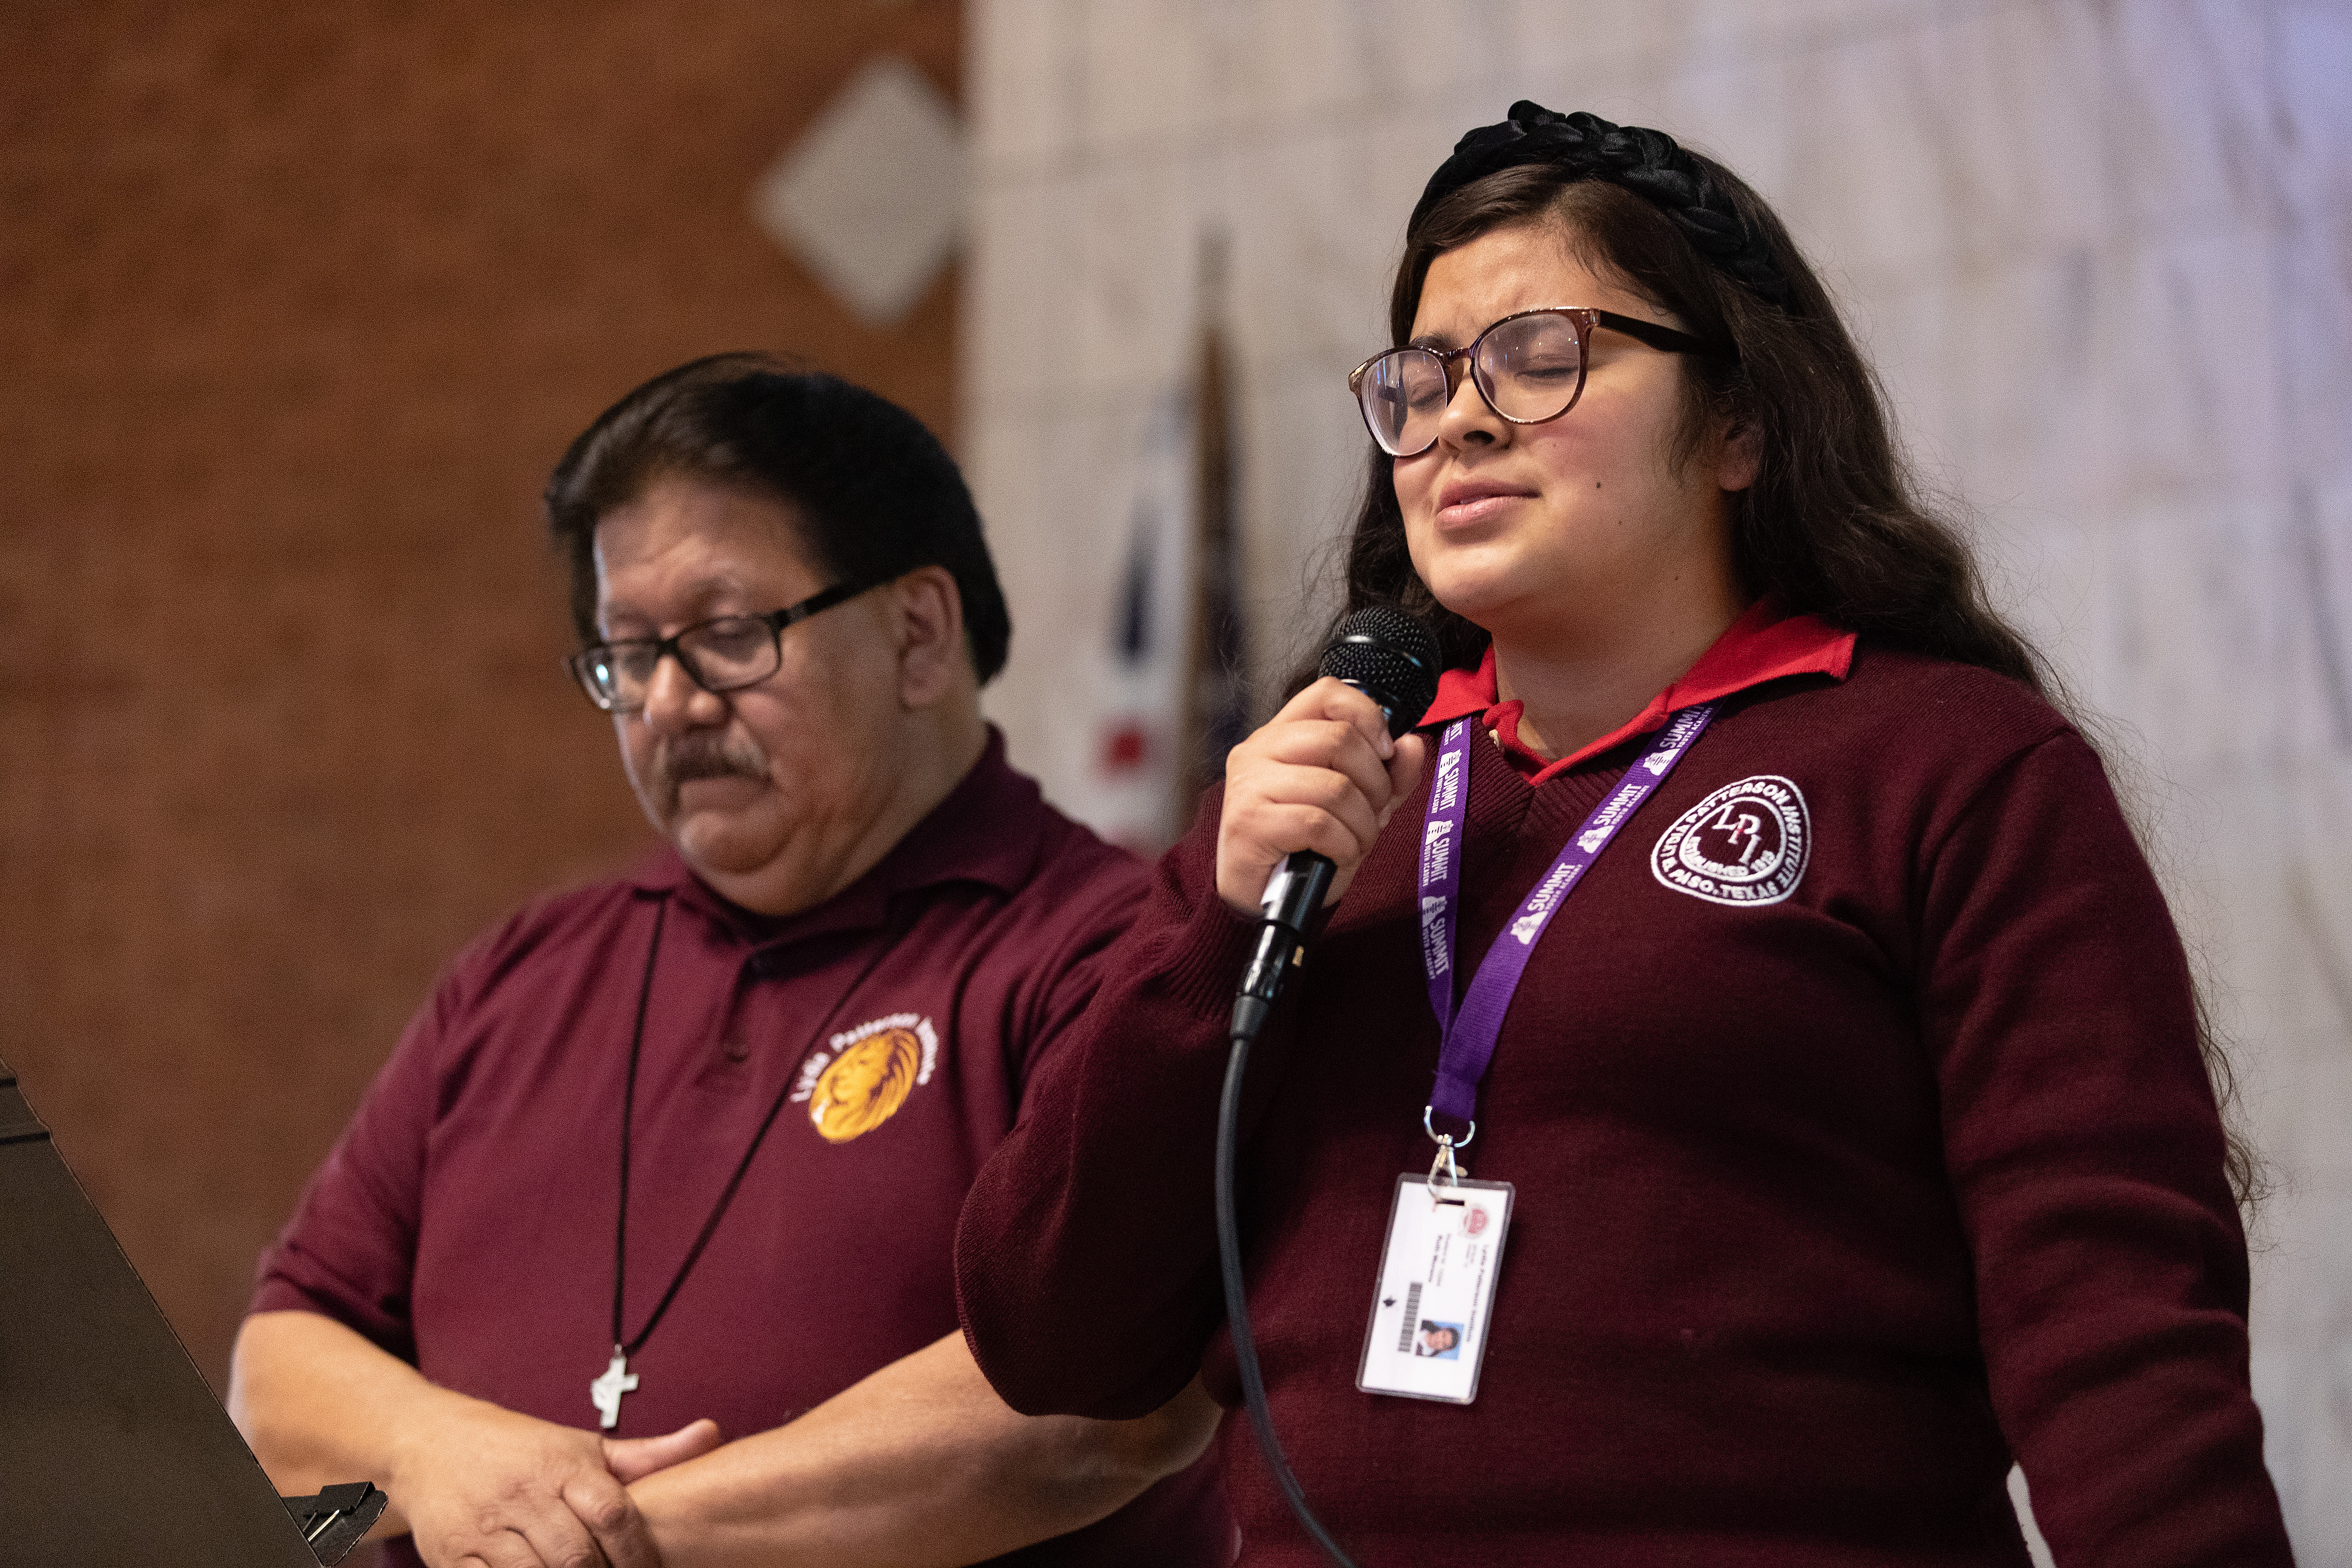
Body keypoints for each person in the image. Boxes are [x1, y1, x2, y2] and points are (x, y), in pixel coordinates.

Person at [953, 105, 2294, 1565]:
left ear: (1741, 425)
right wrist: (1213, 935)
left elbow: (2117, 1337)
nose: (1461, 421)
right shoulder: (1315, 806)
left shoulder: (1946, 767)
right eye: (1422, 380)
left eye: (1541, 358)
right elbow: (1052, 1340)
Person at [230, 355, 1231, 1568]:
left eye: (726, 635)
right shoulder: (523, 974)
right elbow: (279, 1373)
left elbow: (1102, 1410)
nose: (668, 703)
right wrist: (438, 1454)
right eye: (626, 654)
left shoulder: (1123, 960)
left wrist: (591, 1536)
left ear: (918, 633)